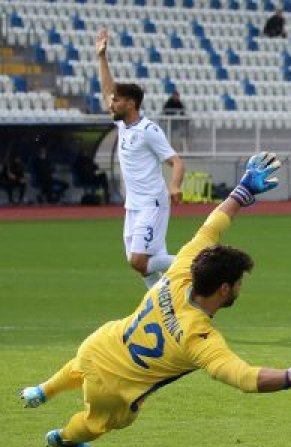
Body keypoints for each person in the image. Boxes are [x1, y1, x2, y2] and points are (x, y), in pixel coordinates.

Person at [20, 152, 291, 447]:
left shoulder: (182, 270)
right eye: (239, 284)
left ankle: (44, 389)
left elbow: (211, 227)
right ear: (223, 289)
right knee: (95, 424)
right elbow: (245, 378)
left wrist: (242, 191)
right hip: (115, 391)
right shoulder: (198, 338)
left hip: (101, 343)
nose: (241, 289)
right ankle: (62, 439)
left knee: (81, 362)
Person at [97, 29, 185, 289]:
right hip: (134, 205)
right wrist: (102, 57)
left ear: (131, 104)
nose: (111, 104)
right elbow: (105, 90)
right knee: (144, 265)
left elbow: (176, 161)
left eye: (117, 101)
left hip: (152, 203)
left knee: (138, 260)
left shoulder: (149, 130)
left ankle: (195, 263)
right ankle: (163, 307)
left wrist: (175, 186)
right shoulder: (124, 126)